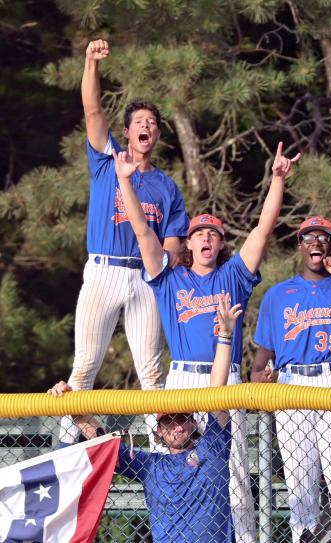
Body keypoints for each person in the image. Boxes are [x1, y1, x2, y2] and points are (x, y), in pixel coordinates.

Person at [111, 141, 298, 543]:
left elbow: (263, 231)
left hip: (224, 380)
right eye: (199, 234)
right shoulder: (170, 278)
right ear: (189, 242)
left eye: (214, 233)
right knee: (170, 469)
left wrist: (277, 180)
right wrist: (125, 181)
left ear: (220, 243)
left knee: (232, 482)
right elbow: (143, 231)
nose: (207, 239)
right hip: (181, 380)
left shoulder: (233, 276)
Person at [60, 39, 188, 447]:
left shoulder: (165, 185)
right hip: (104, 270)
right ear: (128, 131)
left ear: (157, 133)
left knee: (152, 375)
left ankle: (163, 455)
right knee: (83, 370)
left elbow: (173, 244)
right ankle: (68, 449)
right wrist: (91, 63)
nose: (145, 126)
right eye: (139, 122)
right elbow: (93, 110)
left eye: (152, 121)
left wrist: (166, 278)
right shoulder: (108, 158)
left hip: (145, 279)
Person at [48, 299, 243, 543]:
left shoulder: (213, 447)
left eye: (183, 418)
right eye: (169, 422)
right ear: (158, 430)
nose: (177, 426)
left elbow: (218, 392)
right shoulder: (151, 465)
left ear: (194, 423)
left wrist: (224, 336)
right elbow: (101, 439)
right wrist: (67, 399)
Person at [251, 216, 331, 543]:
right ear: (300, 245)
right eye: (309, 237)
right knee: (300, 484)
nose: (316, 243)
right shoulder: (277, 296)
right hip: (292, 383)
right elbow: (262, 359)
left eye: (323, 238)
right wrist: (261, 379)